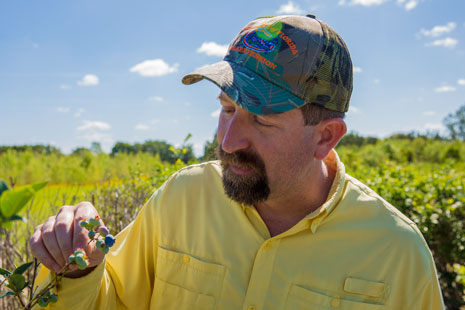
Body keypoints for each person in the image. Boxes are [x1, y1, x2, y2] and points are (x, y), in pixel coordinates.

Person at [30, 14, 444, 309]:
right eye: (227, 108)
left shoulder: (396, 253)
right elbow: (114, 301)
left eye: (261, 118)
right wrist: (80, 271)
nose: (228, 142)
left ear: (325, 136)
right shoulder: (182, 199)